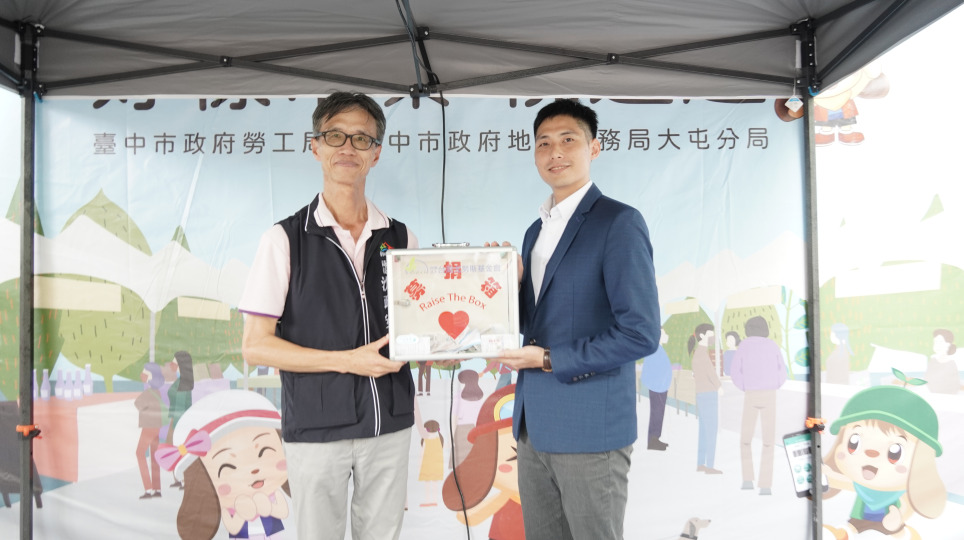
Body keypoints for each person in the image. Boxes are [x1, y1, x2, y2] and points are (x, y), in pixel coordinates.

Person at [238, 91, 418, 540]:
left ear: (377, 153)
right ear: (315, 146)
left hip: (390, 423)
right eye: (335, 135)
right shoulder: (283, 240)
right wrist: (347, 361)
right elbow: (255, 346)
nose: (347, 148)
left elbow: (419, 326)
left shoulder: (403, 239)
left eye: (362, 138)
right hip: (317, 428)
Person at [494, 99, 661, 540]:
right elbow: (540, 321)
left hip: (590, 429)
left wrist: (549, 359)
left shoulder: (619, 222)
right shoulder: (535, 231)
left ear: (594, 148)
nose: (555, 152)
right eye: (544, 143)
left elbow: (640, 333)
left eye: (568, 140)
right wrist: (506, 287)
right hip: (533, 427)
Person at [730, 315, 787, 496]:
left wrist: (745, 386)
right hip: (770, 394)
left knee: (745, 439)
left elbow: (734, 371)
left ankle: (748, 480)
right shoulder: (772, 345)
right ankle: (765, 485)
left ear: (748, 329)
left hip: (751, 394)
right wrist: (775, 384)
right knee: (768, 441)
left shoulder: (743, 346)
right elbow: (782, 371)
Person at [690, 323, 722, 475]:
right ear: (702, 336)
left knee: (703, 431)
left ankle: (700, 463)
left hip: (701, 394)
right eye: (711, 334)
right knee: (711, 430)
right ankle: (710, 466)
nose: (713, 337)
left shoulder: (698, 352)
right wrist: (719, 387)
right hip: (709, 394)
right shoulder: (702, 354)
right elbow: (710, 373)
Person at [640, 327, 671, 450]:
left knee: (658, 414)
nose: (667, 336)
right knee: (656, 414)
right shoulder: (655, 351)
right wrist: (657, 384)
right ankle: (653, 441)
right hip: (658, 388)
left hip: (661, 387)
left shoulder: (659, 350)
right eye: (664, 333)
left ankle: (655, 439)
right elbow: (648, 371)